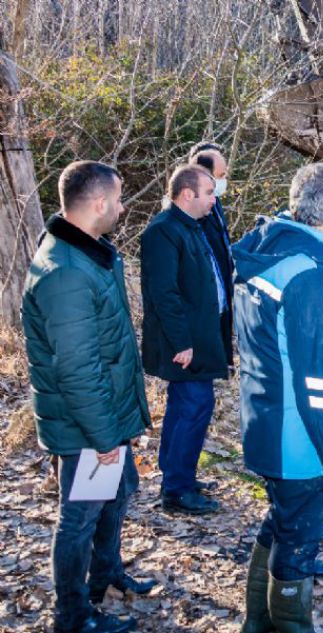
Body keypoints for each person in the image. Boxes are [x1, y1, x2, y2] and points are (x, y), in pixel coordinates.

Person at [22, 161, 157, 633]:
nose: (122, 208)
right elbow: (77, 370)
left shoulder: (93, 254)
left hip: (106, 418)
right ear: (98, 203)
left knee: (117, 495)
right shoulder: (66, 274)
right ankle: (72, 615)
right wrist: (104, 439)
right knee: (78, 520)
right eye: (119, 199)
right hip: (85, 426)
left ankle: (106, 576)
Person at [233, 162, 323, 633]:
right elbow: (318, 383)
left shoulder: (268, 254)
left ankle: (257, 623)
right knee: (299, 544)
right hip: (299, 440)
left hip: (264, 421)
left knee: (280, 523)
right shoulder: (311, 276)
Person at [141, 165, 227, 515]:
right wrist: (181, 344)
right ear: (187, 194)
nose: (214, 199)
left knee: (185, 407)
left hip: (200, 337)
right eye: (209, 192)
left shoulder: (193, 227)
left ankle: (178, 477)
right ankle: (176, 490)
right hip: (184, 343)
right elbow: (164, 294)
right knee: (193, 407)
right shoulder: (163, 231)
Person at [189, 143, 235, 376]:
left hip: (221, 299)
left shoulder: (215, 204)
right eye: (221, 175)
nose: (225, 180)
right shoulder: (189, 214)